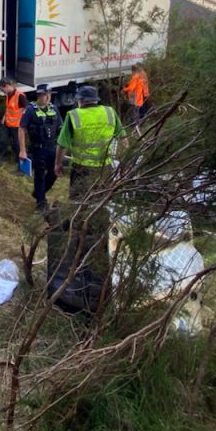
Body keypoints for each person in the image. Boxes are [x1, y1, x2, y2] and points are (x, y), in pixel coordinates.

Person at [48, 84, 126, 312]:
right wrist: (122, 165)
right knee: (102, 208)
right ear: (97, 100)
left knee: (79, 209)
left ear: (80, 100)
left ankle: (80, 245)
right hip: (105, 171)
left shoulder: (74, 117)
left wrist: (58, 164)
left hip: (82, 172)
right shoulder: (110, 113)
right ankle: (101, 244)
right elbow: (124, 140)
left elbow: (61, 145)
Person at [18, 84, 61, 212]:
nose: (47, 97)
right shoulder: (30, 110)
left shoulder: (54, 108)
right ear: (39, 95)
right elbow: (21, 129)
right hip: (38, 148)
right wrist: (23, 150)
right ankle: (41, 202)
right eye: (44, 95)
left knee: (54, 173)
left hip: (52, 147)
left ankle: (38, 192)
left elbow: (60, 127)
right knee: (40, 175)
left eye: (49, 95)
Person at [0, 78, 28, 160]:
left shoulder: (20, 96)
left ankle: (20, 162)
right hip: (7, 123)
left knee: (17, 145)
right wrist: (4, 117)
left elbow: (27, 109)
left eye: (2, 89)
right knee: (1, 141)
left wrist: (24, 123)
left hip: (17, 125)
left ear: (7, 86)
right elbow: (9, 108)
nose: (2, 91)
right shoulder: (8, 95)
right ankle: (2, 159)